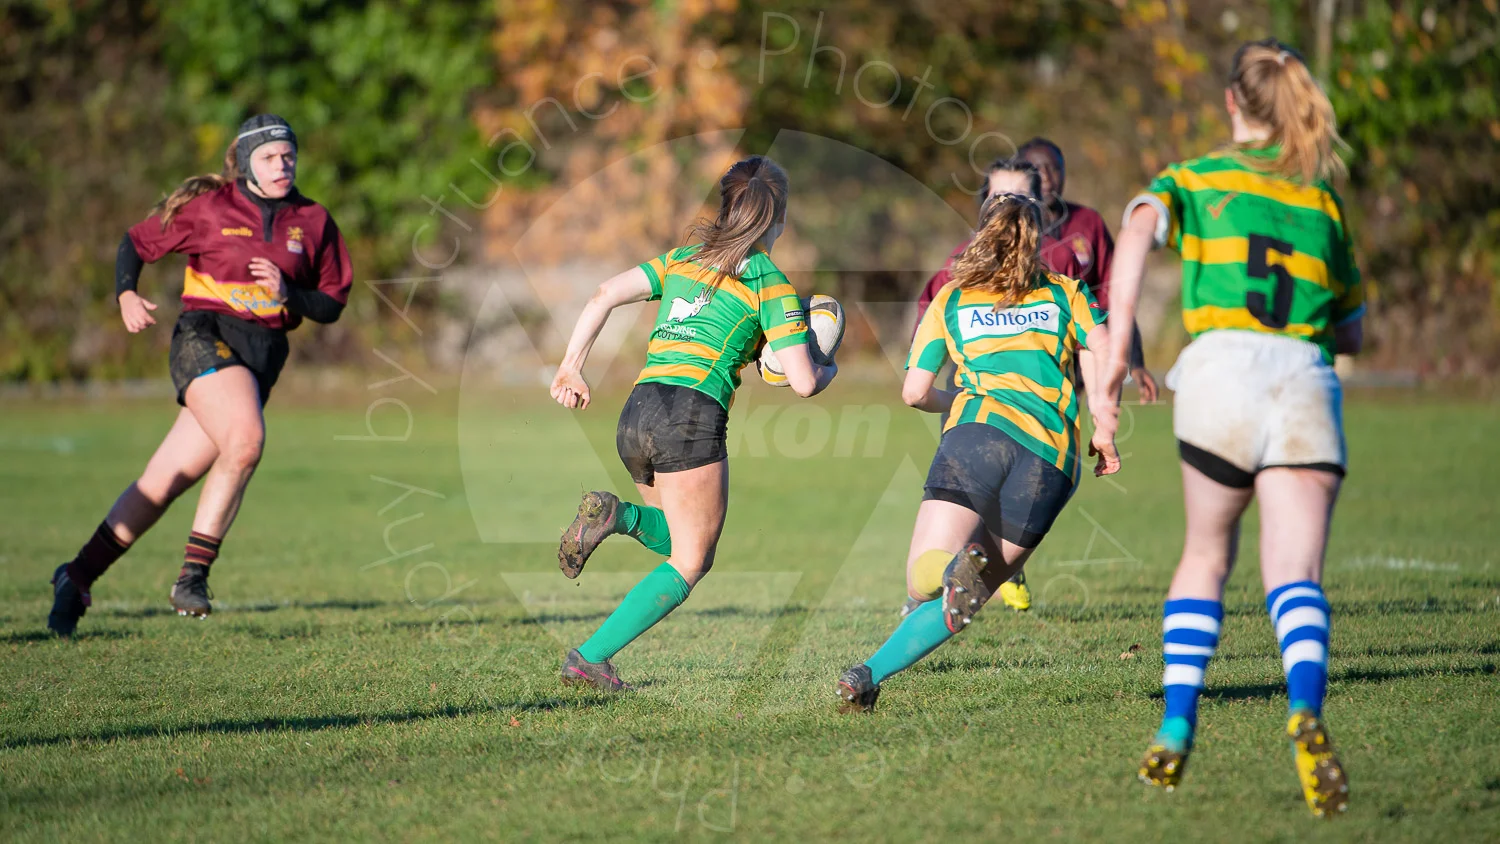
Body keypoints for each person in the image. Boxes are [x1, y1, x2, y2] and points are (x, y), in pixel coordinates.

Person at [1101, 39, 1362, 817]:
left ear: (1230, 103)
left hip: (1220, 373)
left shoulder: (1198, 178)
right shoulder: (1323, 200)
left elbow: (1139, 228)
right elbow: (1350, 329)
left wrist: (1116, 353)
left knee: (1208, 554)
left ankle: (1179, 718)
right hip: (1304, 377)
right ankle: (1305, 708)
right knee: (1296, 575)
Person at [46, 114, 353, 636]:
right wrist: (125, 293)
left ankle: (75, 576)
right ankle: (193, 576)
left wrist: (289, 295)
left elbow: (329, 304)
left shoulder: (314, 220)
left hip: (262, 355)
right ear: (245, 163)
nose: (282, 165)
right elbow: (136, 243)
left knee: (163, 482)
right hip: (203, 335)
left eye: (288, 155)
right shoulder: (211, 208)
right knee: (247, 440)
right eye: (269, 157)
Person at [548, 155, 836, 691]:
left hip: (638, 409)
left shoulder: (684, 258)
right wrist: (827, 363)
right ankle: (590, 657)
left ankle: (617, 516)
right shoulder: (770, 281)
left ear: (725, 206)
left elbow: (603, 294)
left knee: (669, 540)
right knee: (690, 561)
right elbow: (803, 382)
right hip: (690, 414)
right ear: (780, 220)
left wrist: (571, 366)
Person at [836, 190, 1120, 712]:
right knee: (974, 593)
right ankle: (868, 675)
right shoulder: (1067, 293)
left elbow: (915, 391)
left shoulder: (952, 296)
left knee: (927, 576)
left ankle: (946, 572)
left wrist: (958, 398)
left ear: (980, 233)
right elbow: (1105, 350)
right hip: (1052, 458)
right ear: (1038, 240)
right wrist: (1104, 425)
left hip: (978, 434)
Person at [914, 150, 1157, 613]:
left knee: (984, 493)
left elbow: (1110, 307)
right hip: (983, 408)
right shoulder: (957, 268)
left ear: (1042, 201)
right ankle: (959, 570)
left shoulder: (1066, 260)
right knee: (975, 489)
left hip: (1045, 403)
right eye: (1002, 194)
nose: (1012, 202)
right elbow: (931, 326)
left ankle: (949, 573)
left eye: (1022, 195)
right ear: (985, 202)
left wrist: (1127, 366)